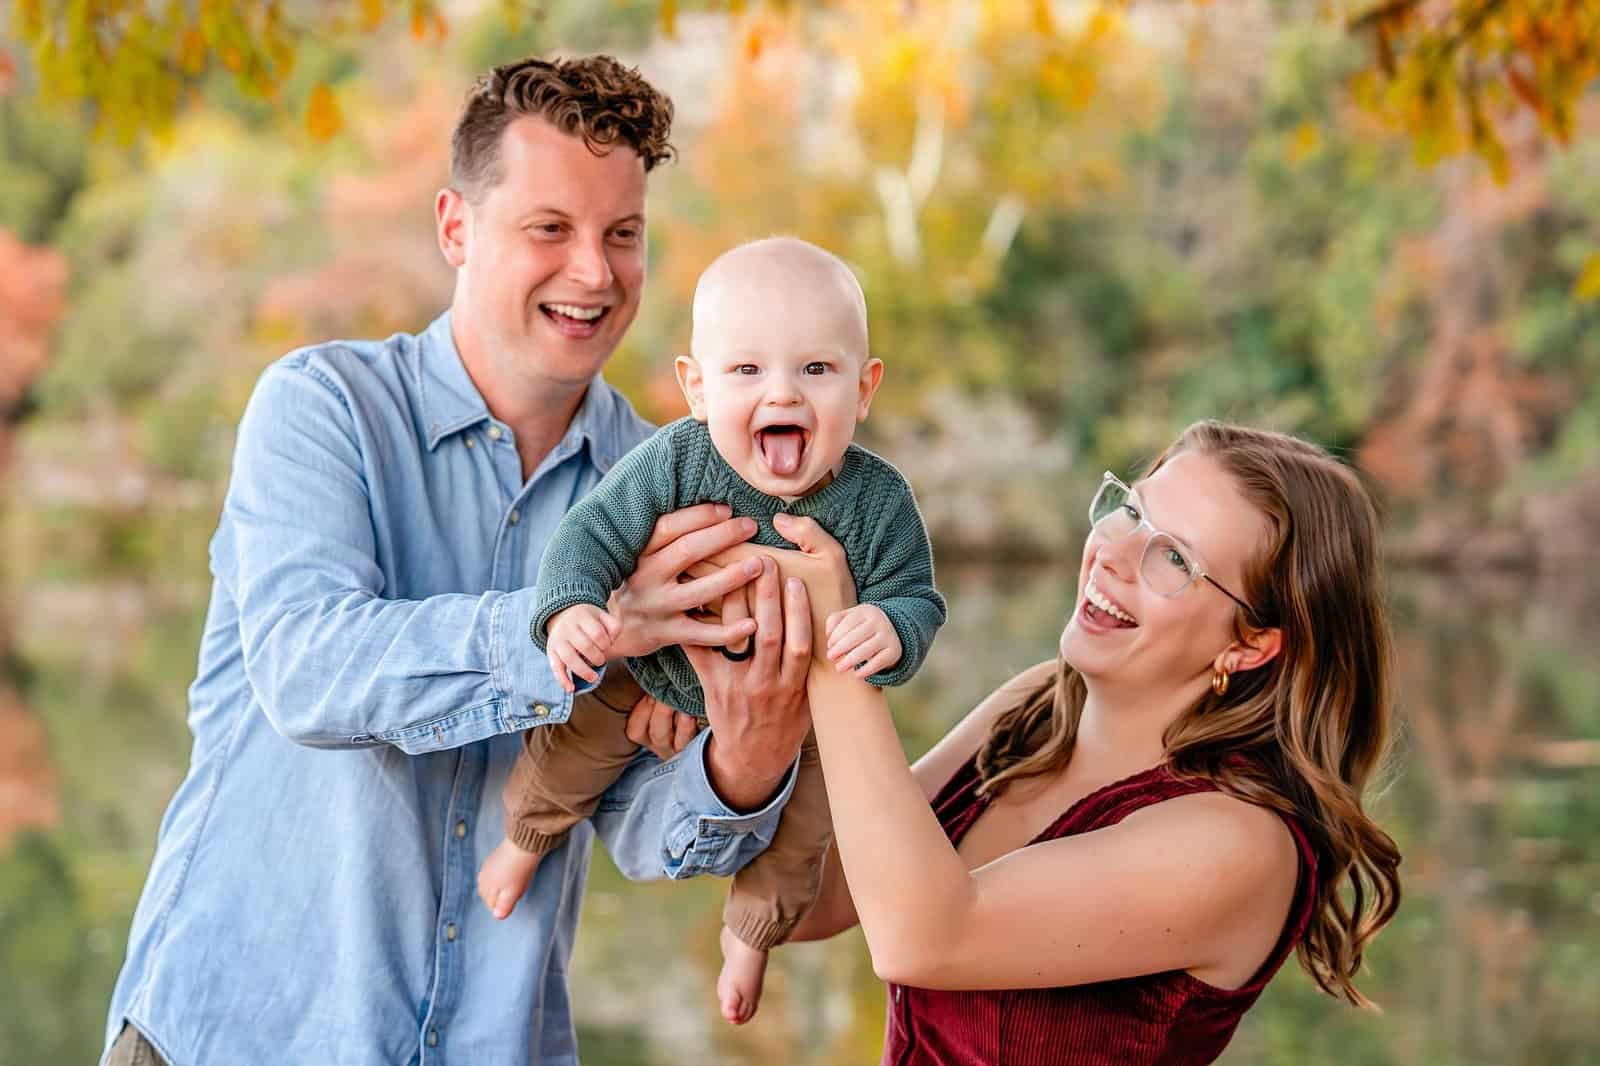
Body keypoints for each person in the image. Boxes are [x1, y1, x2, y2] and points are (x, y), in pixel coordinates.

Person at [100, 56, 815, 1066]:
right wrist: (588, 621)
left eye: (622, 235)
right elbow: (310, 671)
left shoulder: (673, 493)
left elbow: (649, 830)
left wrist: (747, 755)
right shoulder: (325, 410)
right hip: (229, 1038)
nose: (595, 273)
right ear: (455, 228)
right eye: (550, 230)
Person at [732, 421, 1403, 1064]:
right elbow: (819, 898)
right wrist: (739, 712)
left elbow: (922, 938)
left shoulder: (1238, 844)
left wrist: (837, 638)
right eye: (1133, 513)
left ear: (1251, 642)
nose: (1112, 553)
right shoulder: (1035, 709)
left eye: (1174, 557)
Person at [474, 236, 947, 1025]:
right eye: (748, 370)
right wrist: (573, 609)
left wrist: (890, 629)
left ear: (864, 390)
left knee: (813, 823)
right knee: (580, 732)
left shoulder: (877, 499)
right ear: (697, 387)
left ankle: (750, 934)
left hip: (800, 706)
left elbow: (917, 597)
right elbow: (590, 534)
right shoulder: (676, 460)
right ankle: (526, 838)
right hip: (659, 665)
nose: (784, 395)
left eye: (817, 370)